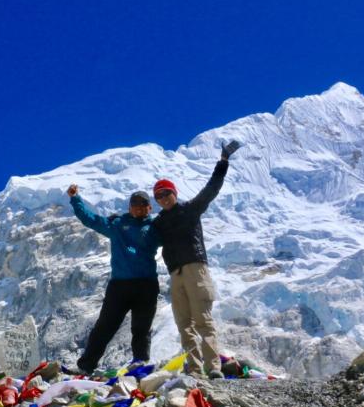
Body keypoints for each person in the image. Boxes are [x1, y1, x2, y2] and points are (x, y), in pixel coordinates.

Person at [152, 140, 241, 378]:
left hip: (195, 268)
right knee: (183, 323)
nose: (163, 197)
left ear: (174, 193)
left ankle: (213, 367)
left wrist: (223, 161)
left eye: (166, 193)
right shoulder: (158, 222)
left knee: (202, 319)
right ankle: (194, 368)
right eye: (158, 195)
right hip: (176, 274)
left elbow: (211, 189)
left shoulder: (190, 209)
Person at [66, 184, 161, 374]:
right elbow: (90, 219)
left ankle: (140, 364)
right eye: (135, 204)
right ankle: (86, 366)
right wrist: (75, 199)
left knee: (141, 328)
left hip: (147, 285)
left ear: (149, 208)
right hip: (119, 286)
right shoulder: (116, 225)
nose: (139, 207)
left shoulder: (155, 228)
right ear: (129, 207)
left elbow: (176, 237)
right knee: (104, 327)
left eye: (143, 204)